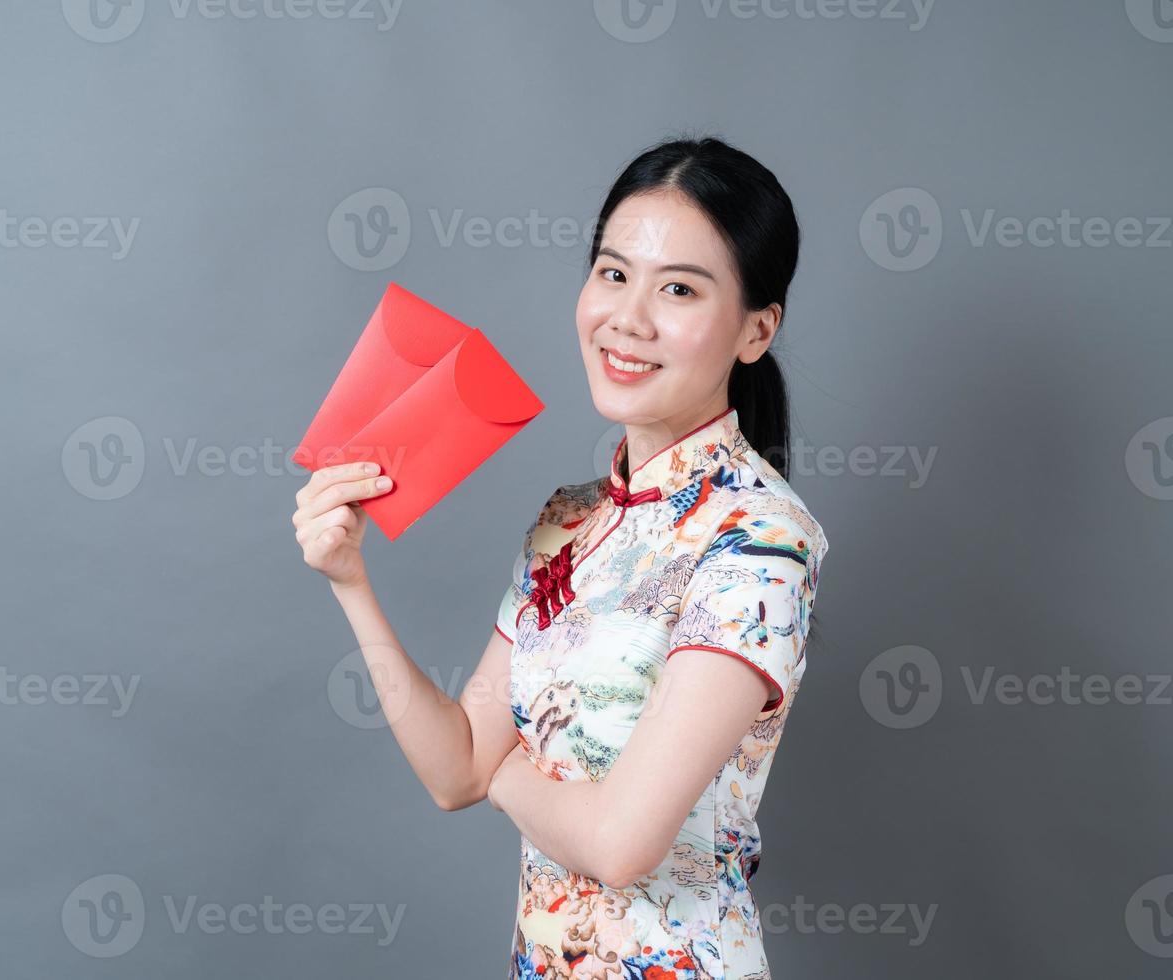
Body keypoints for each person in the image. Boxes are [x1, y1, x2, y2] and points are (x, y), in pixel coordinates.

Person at [291, 135, 829, 979]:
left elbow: (618, 843)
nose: (629, 318)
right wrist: (352, 584)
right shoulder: (570, 522)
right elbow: (455, 766)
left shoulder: (758, 540)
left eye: (679, 289)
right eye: (613, 274)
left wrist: (502, 766)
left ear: (757, 330)